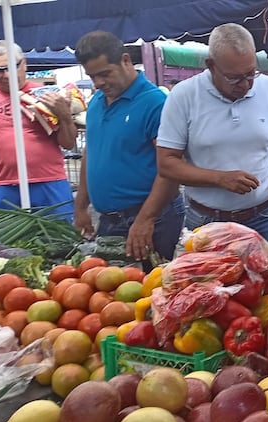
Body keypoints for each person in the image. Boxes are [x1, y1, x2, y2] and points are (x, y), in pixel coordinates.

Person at [156, 23, 268, 255]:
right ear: (211, 66)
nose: (245, 84)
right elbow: (166, 163)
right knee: (208, 290)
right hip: (208, 223)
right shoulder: (184, 96)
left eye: (250, 74)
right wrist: (219, 178)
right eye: (234, 78)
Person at [73, 31, 183, 263]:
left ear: (125, 60)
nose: (98, 83)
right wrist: (81, 206)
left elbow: (172, 169)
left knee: (150, 290)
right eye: (93, 76)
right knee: (113, 293)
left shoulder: (155, 103)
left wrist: (145, 219)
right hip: (109, 221)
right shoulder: (95, 102)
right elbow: (89, 153)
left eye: (104, 74)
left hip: (153, 219)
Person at [0, 40, 76, 220]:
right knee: (6, 247)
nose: (6, 74)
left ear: (24, 64)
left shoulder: (48, 95)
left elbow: (68, 143)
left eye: (12, 66)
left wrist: (65, 116)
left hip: (50, 183)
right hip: (5, 186)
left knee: (61, 244)